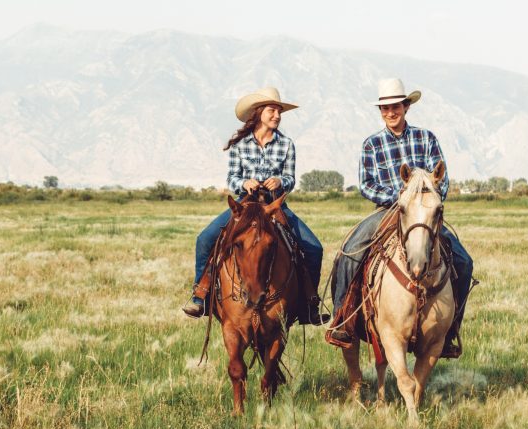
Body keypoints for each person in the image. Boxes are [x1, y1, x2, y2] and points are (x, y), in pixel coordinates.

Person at [325, 78, 474, 358]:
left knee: (464, 262)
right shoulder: (372, 144)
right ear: (380, 112)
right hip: (386, 211)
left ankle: (450, 328)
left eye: (395, 107)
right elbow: (366, 184)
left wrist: (423, 201)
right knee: (349, 253)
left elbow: (442, 180)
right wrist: (396, 197)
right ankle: (342, 318)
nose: (390, 112)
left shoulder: (426, 138)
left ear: (406, 107)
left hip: (421, 215)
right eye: (385, 108)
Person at [182, 86, 327, 325]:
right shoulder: (240, 145)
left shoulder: (287, 144)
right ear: (259, 112)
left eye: (279, 112)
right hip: (245, 205)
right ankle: (201, 295)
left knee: (313, 248)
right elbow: (231, 178)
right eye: (272, 110)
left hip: (274, 206)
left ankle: (309, 303)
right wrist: (243, 182)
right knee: (205, 239)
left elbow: (291, 178)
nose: (277, 116)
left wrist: (281, 181)